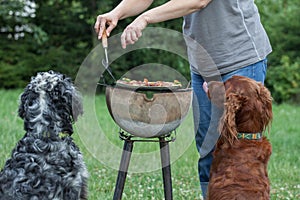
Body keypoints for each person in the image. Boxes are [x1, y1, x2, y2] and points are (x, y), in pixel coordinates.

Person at [94, 0, 272, 199]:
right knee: (208, 154)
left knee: (242, 154)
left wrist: (144, 18)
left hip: (239, 57)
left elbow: (198, 1)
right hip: (203, 64)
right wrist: (117, 13)